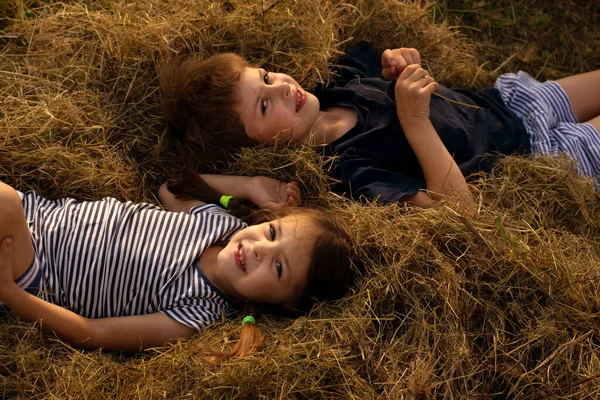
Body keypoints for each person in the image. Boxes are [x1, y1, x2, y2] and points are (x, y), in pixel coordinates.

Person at [159, 41, 600, 209]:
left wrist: (397, 61)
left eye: (269, 78)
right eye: (262, 107)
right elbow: (459, 210)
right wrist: (414, 119)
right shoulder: (348, 172)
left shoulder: (337, 83)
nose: (283, 89)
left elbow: (384, 58)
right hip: (538, 160)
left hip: (507, 103)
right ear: (257, 147)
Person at [0, 177, 353, 354]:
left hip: (34, 270)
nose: (261, 248)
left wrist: (12, 294)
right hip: (37, 211)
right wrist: (247, 186)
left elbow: (95, 333)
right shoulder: (221, 223)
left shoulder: (198, 313)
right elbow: (171, 188)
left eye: (278, 268)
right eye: (272, 231)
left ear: (286, 305)